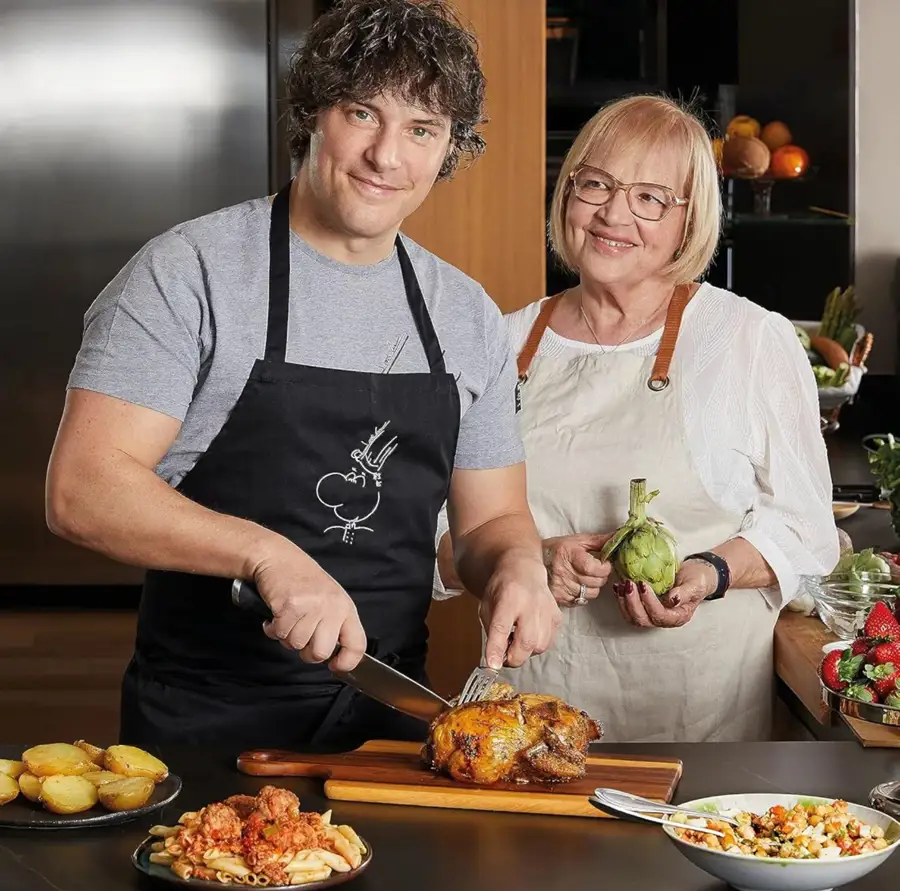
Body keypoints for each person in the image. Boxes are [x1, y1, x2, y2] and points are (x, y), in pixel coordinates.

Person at [45, 0, 560, 750]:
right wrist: (267, 554)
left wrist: (518, 568)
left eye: (422, 130)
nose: (388, 156)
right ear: (314, 111)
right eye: (363, 114)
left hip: (390, 722)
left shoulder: (465, 315)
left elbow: (491, 521)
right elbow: (81, 490)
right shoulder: (191, 273)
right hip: (210, 722)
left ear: (449, 148)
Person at [434, 95, 839, 742]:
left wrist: (710, 572)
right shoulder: (502, 344)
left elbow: (807, 531)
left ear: (690, 220)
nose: (613, 214)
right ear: (568, 194)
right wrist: (526, 559)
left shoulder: (747, 341)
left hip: (697, 736)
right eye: (595, 184)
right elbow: (436, 548)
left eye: (651, 197)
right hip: (526, 730)